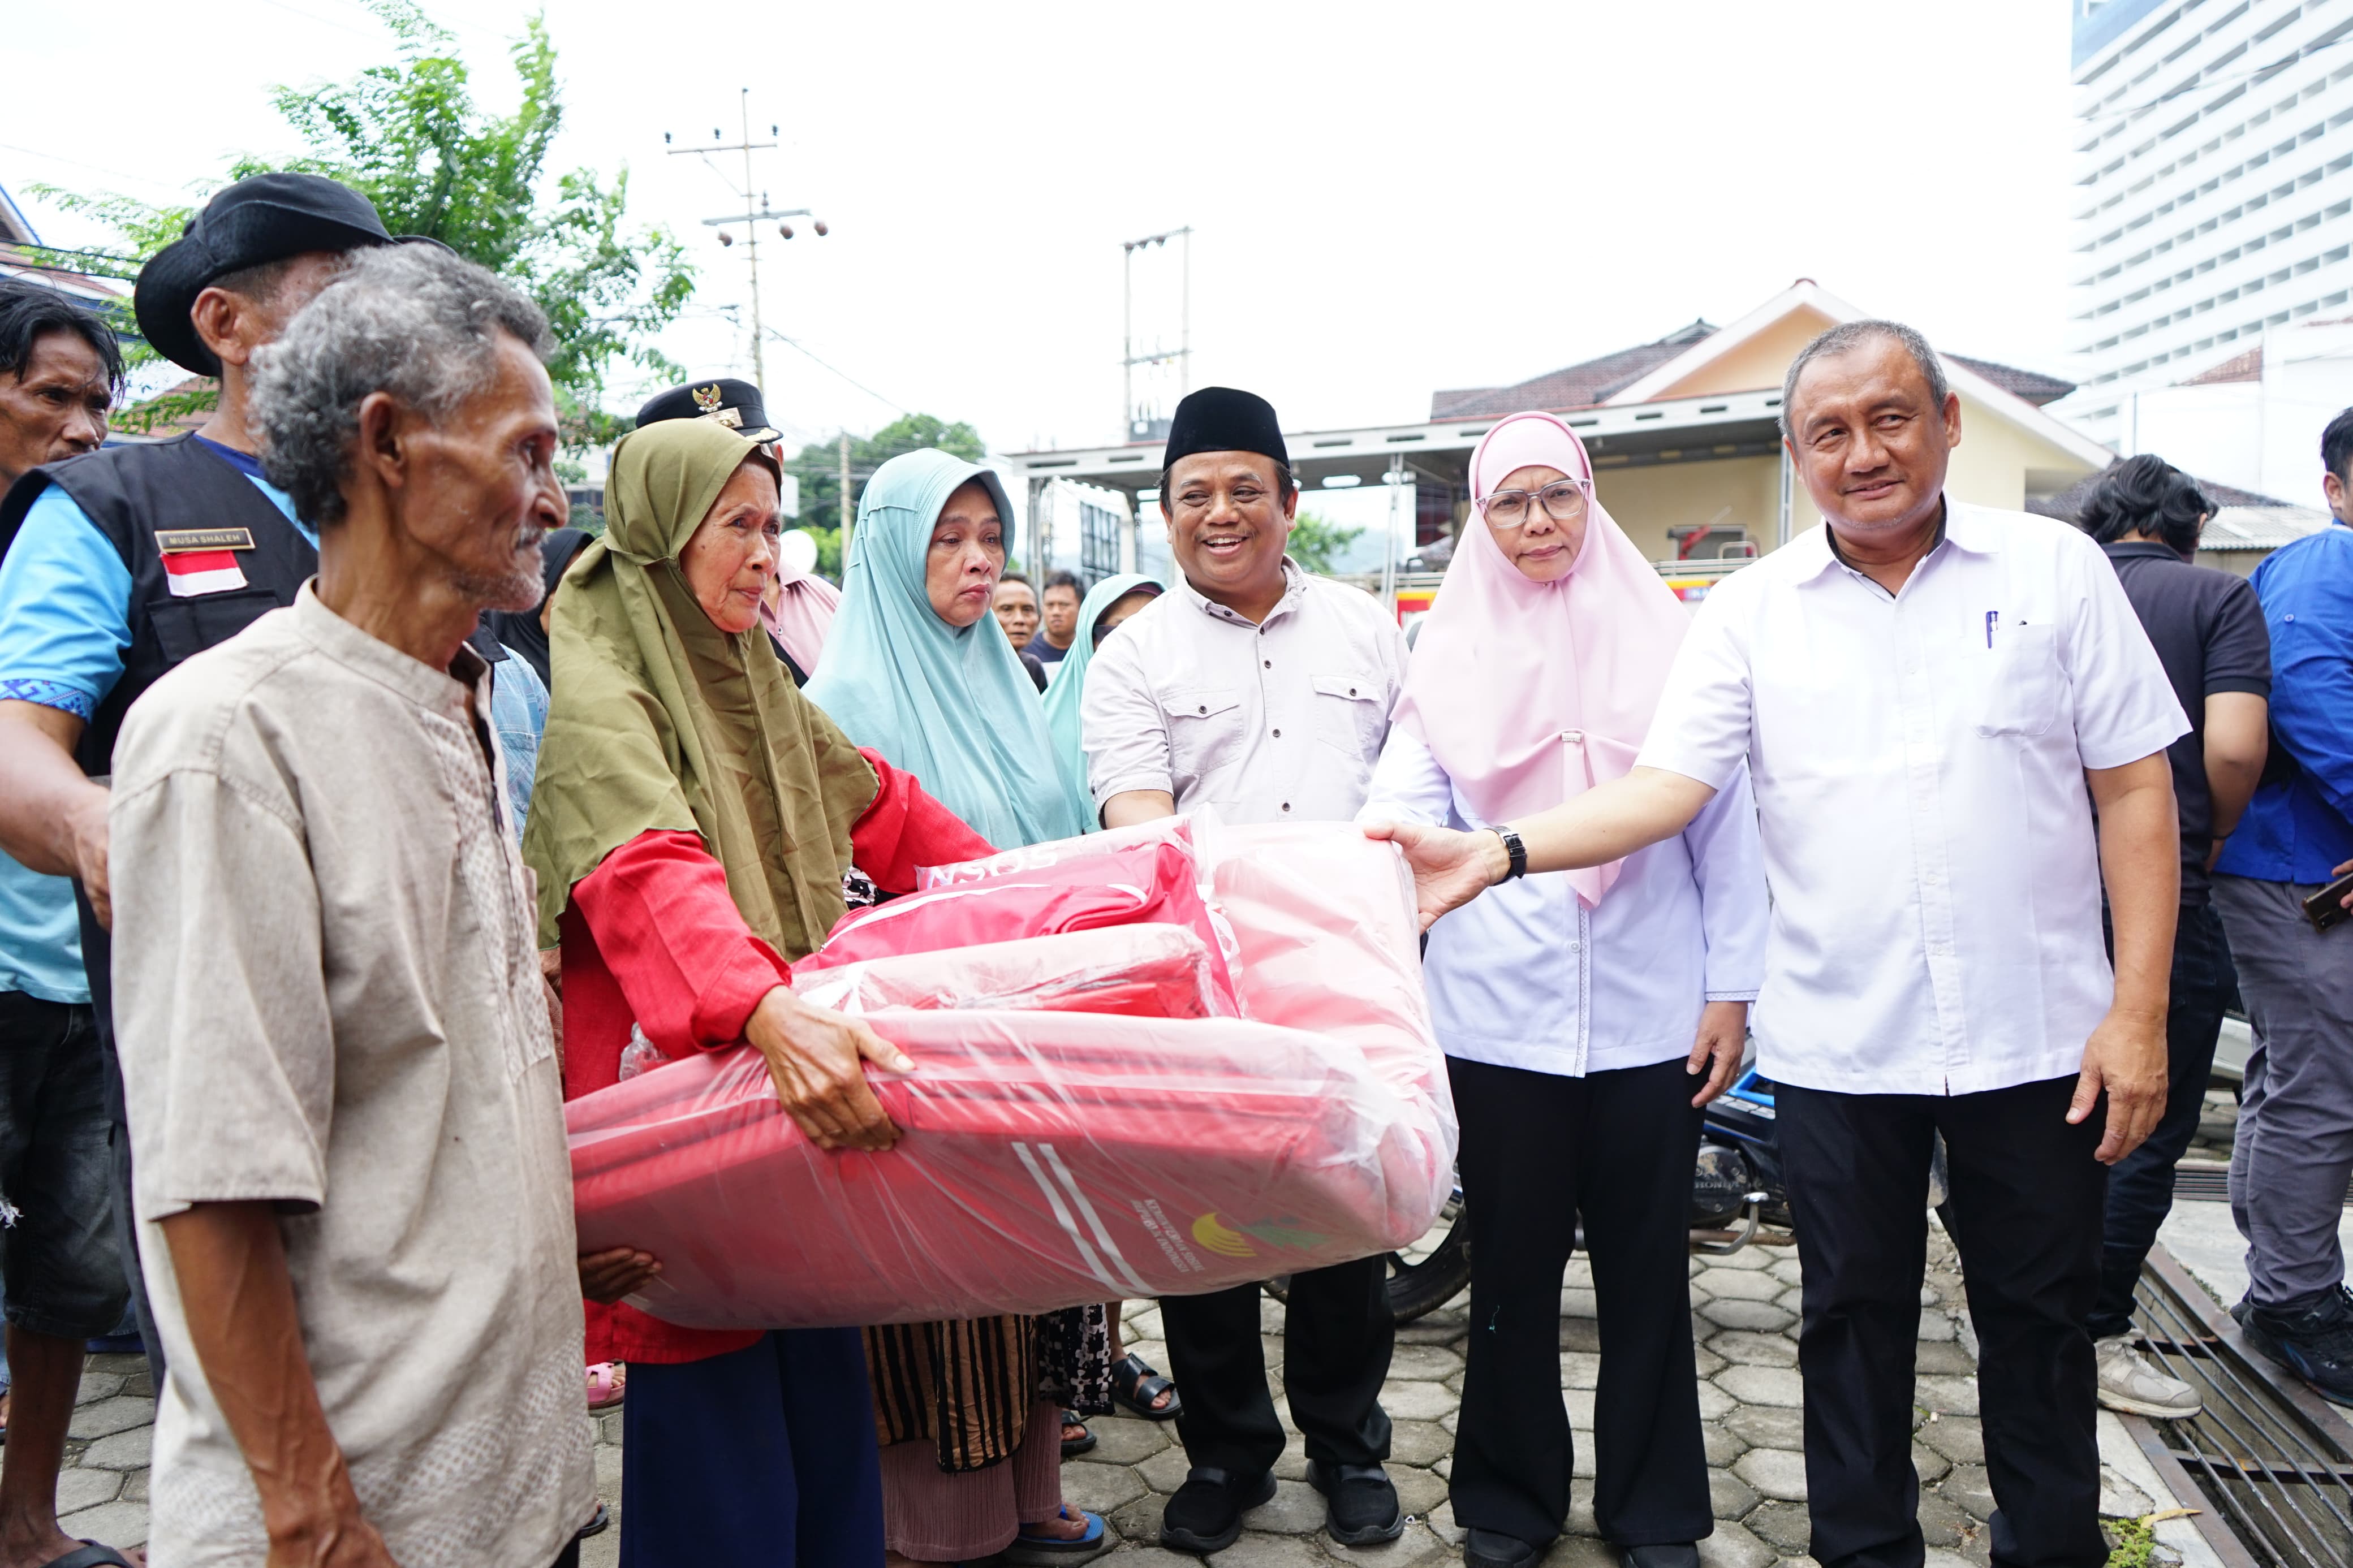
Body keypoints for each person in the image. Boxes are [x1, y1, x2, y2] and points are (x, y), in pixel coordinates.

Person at [1369, 322, 2186, 1568]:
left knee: (2035, 1321)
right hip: (1765, 1037)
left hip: (2008, 1032)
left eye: (1890, 419)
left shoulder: (2047, 572)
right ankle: (1793, 1543)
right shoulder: (1734, 618)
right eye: (1830, 432)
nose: (1865, 453)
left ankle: (2033, 1546)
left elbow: (2133, 791)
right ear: (1796, 454)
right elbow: (1653, 795)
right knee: (1832, 1318)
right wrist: (1494, 854)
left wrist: (2137, 1013)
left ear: (1949, 421)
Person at [108, 241, 603, 1567]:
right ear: (389, 446)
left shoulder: (469, 699)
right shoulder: (232, 736)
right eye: (527, 452)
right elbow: (212, 1180)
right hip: (362, 1517)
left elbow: (426, 1079)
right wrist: (311, 1508)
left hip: (513, 1481)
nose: (554, 499)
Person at [523, 416, 1012, 1565]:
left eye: (772, 525)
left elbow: (874, 802)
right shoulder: (604, 684)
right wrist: (761, 1010)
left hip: (777, 1071)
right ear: (662, 532)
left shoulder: (744, 667)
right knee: (717, 1416)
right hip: (684, 1084)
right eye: (734, 525)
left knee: (817, 1376)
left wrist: (1026, 896)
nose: (762, 552)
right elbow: (646, 870)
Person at [0, 172, 408, 1411]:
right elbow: (17, 742)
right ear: (226, 327)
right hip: (219, 1037)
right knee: (257, 1408)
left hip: (411, 1028)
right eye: (343, 297)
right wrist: (96, 827)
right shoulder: (110, 509)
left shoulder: (416, 501)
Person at [1363, 411, 1767, 1568]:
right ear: (1477, 520)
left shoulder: (1675, 640)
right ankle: (1505, 1501)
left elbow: (1724, 824)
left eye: (1558, 497)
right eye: (1510, 502)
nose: (1537, 523)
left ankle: (1657, 1513)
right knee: (1512, 1267)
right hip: (1499, 1013)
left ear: (1592, 499)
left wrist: (1731, 989)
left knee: (1646, 1271)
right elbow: (1405, 803)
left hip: (1652, 1009)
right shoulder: (1442, 654)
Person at [1083, 386, 1408, 1555]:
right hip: (1202, 983)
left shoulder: (1371, 631)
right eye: (1192, 496)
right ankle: (1225, 1451)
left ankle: (1345, 1444)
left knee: (1347, 1223)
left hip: (1348, 980)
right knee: (1200, 1232)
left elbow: (1410, 792)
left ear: (1288, 500)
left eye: (1242, 490)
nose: (1219, 515)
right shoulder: (1133, 654)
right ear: (1164, 513)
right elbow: (1136, 817)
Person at [803, 448, 1109, 1566]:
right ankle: (938, 1527)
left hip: (1037, 1035)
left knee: (1031, 1277)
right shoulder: (841, 703)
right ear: (889, 545)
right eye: (949, 537)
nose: (980, 561)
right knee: (942, 1297)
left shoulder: (1009, 678)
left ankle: (1031, 1493)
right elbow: (840, 902)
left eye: (991, 537)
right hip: (923, 1047)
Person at [2073, 455, 2272, 1418]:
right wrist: (2217, 824)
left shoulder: (2054, 587)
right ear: (2190, 522)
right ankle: (2092, 1338)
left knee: (2032, 1111)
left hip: (2040, 893)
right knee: (2141, 1119)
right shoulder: (2214, 599)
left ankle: (2023, 1309)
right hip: (2162, 885)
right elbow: (2234, 742)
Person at [0, 281, 137, 1568]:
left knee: (72, 1268)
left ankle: (31, 1525)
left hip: (83, 972)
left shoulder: (97, 544)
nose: (87, 427)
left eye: (101, 400)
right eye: (53, 396)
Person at [2211, 408, 2353, 1404]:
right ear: (2337, 484)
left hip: (2307, 868)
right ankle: (2297, 1300)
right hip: (2297, 873)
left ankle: (2279, 1275)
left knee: (2294, 1070)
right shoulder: (2326, 566)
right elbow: (2309, 700)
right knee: (2324, 1086)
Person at [1040, 571, 1161, 802]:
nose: (1140, 645)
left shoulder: (1193, 714)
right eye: (1119, 634)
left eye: (1155, 631)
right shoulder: (1041, 730)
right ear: (1089, 638)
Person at [486, 524, 592, 689]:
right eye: (564, 587)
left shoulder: (606, 667)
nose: (583, 602)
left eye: (591, 588)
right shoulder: (496, 676)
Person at [993, 571, 1050, 690]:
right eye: (1007, 609)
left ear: (1039, 618)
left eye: (1027, 610)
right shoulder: (967, 668)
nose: (1020, 620)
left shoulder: (1033, 669)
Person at [1024, 568, 1081, 667]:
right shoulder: (1026, 650)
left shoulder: (1090, 650)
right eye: (1050, 605)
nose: (1056, 612)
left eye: (1064, 605)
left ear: (1081, 607)